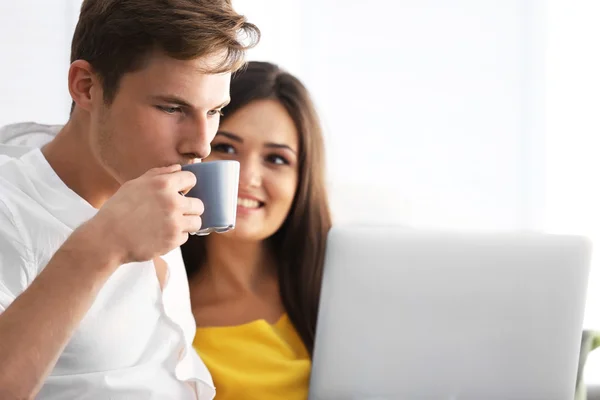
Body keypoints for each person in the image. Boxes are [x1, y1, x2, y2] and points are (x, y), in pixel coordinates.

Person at [0, 0, 259, 399]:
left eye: (215, 110)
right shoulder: (12, 208)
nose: (201, 145)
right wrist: (101, 246)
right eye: (172, 108)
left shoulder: (142, 171)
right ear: (86, 87)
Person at [180, 61, 332, 400]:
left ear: (302, 181)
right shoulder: (163, 308)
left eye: (276, 159)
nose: (247, 177)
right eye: (226, 148)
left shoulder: (335, 290)